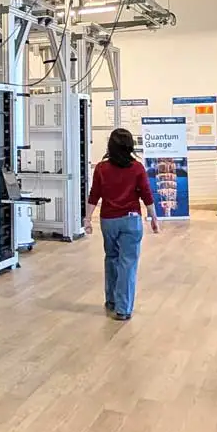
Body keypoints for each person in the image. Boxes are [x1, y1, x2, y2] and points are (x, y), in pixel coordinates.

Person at [83, 128, 159, 321]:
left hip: (108, 220)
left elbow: (94, 194)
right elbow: (146, 194)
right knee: (128, 263)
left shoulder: (101, 168)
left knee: (111, 258)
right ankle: (123, 308)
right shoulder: (137, 168)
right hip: (131, 220)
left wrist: (87, 218)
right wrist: (154, 218)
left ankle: (111, 300)